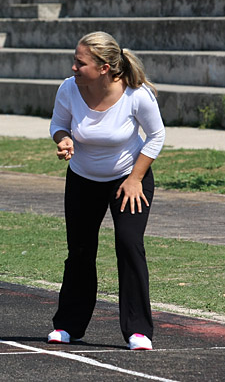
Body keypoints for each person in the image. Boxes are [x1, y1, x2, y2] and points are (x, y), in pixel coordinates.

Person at [47, 31, 165, 351]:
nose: (73, 67)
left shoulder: (136, 94)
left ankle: (138, 330)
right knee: (81, 251)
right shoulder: (69, 89)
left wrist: (135, 178)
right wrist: (63, 139)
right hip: (83, 178)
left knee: (128, 245)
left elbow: (156, 137)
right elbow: (58, 123)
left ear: (103, 68)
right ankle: (68, 325)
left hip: (129, 179)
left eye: (80, 62)